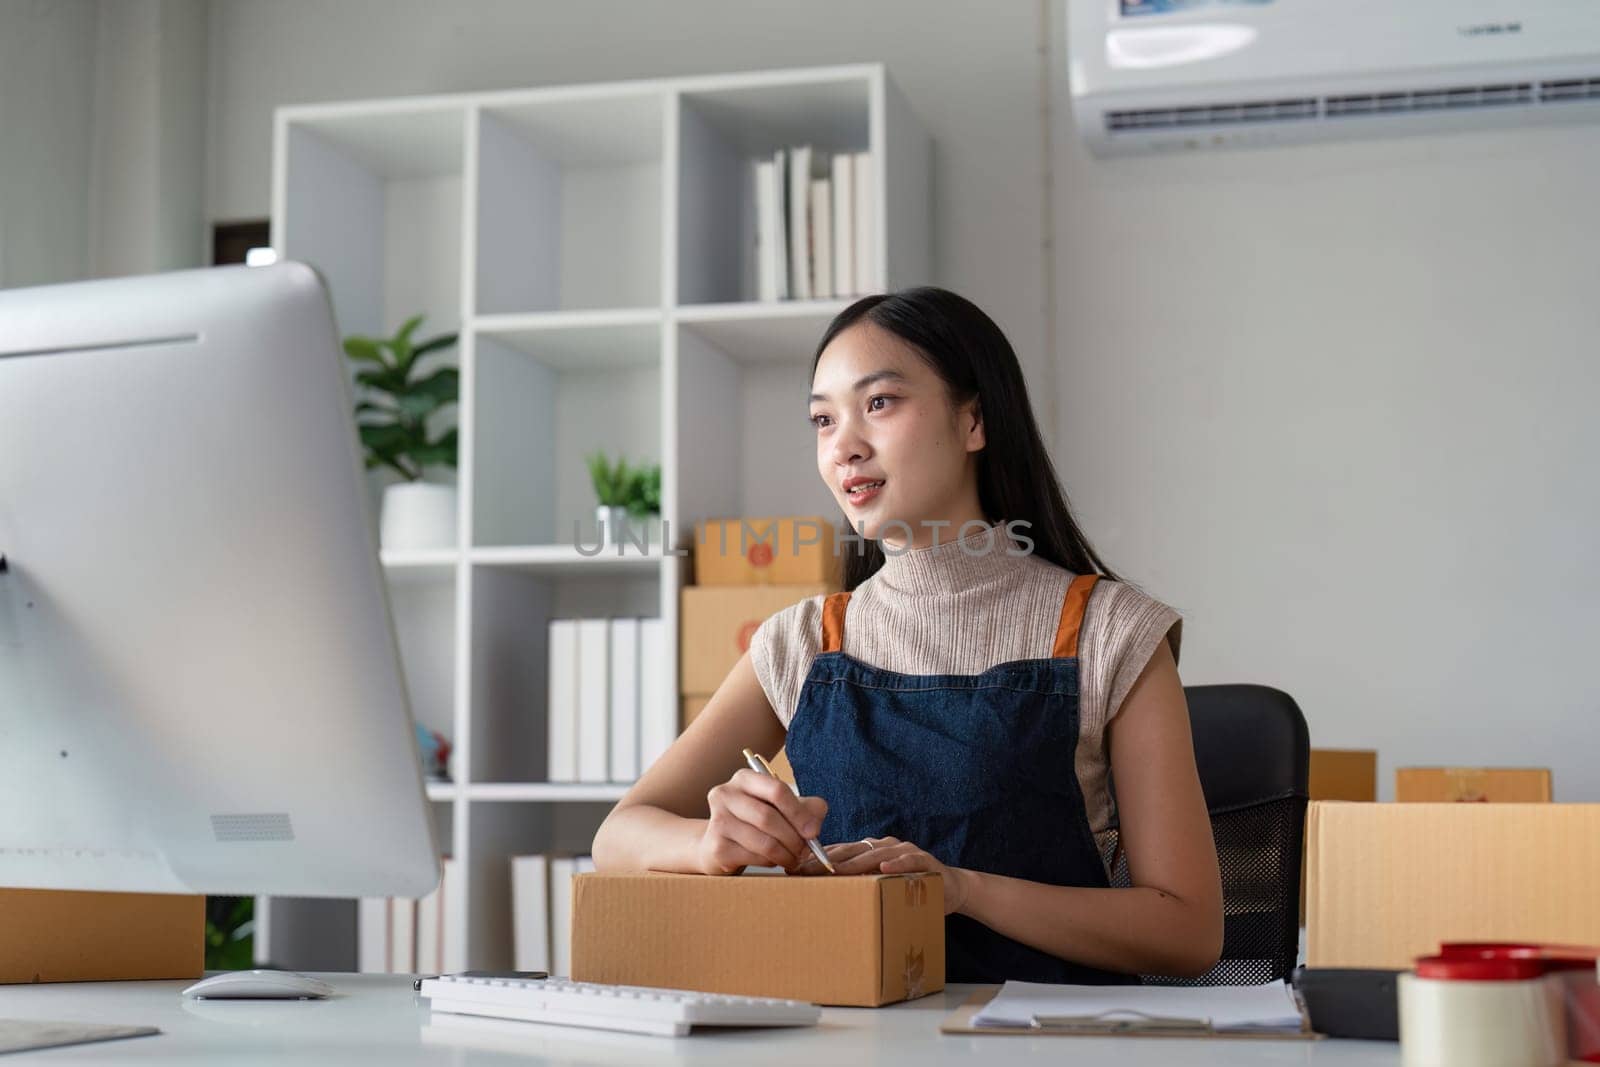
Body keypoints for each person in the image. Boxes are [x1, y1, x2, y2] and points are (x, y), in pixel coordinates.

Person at [592, 288, 1222, 982]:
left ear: (974, 419)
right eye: (823, 420)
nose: (845, 447)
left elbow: (1187, 928)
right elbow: (618, 835)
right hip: (853, 1034)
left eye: (880, 403)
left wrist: (961, 888)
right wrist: (713, 842)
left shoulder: (1111, 631)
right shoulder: (802, 641)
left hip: (1047, 1040)